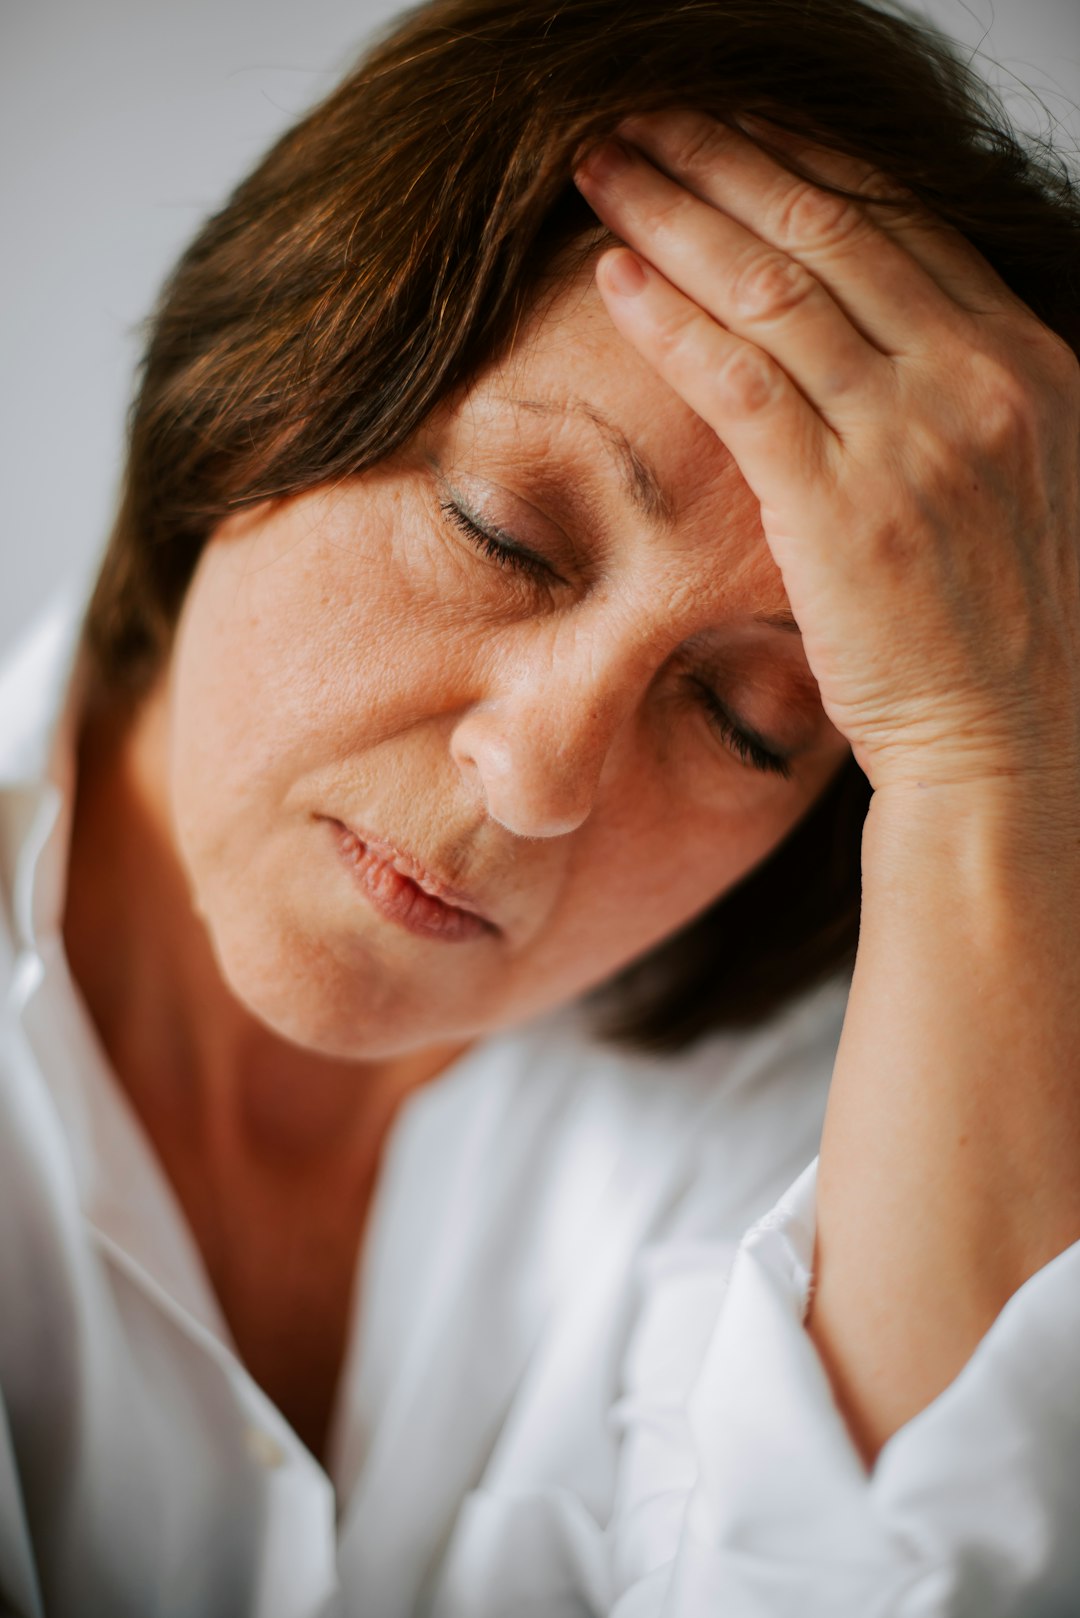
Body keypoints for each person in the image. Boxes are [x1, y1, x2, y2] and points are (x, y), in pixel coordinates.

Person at [2, 0, 1079, 1612]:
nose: (539, 777)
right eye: (503, 532)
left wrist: (995, 769)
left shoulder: (844, 1126)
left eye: (743, 717)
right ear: (270, 379)